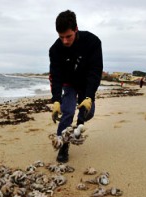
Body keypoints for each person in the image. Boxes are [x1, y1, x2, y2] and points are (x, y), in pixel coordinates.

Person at [49, 10, 103, 163]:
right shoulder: (55, 50)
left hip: (86, 82)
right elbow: (56, 76)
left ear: (76, 29)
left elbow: (95, 71)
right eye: (61, 37)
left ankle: (79, 125)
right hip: (69, 82)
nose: (65, 41)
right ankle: (63, 146)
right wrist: (56, 100)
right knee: (67, 111)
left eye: (68, 36)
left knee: (89, 112)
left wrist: (89, 97)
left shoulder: (92, 42)